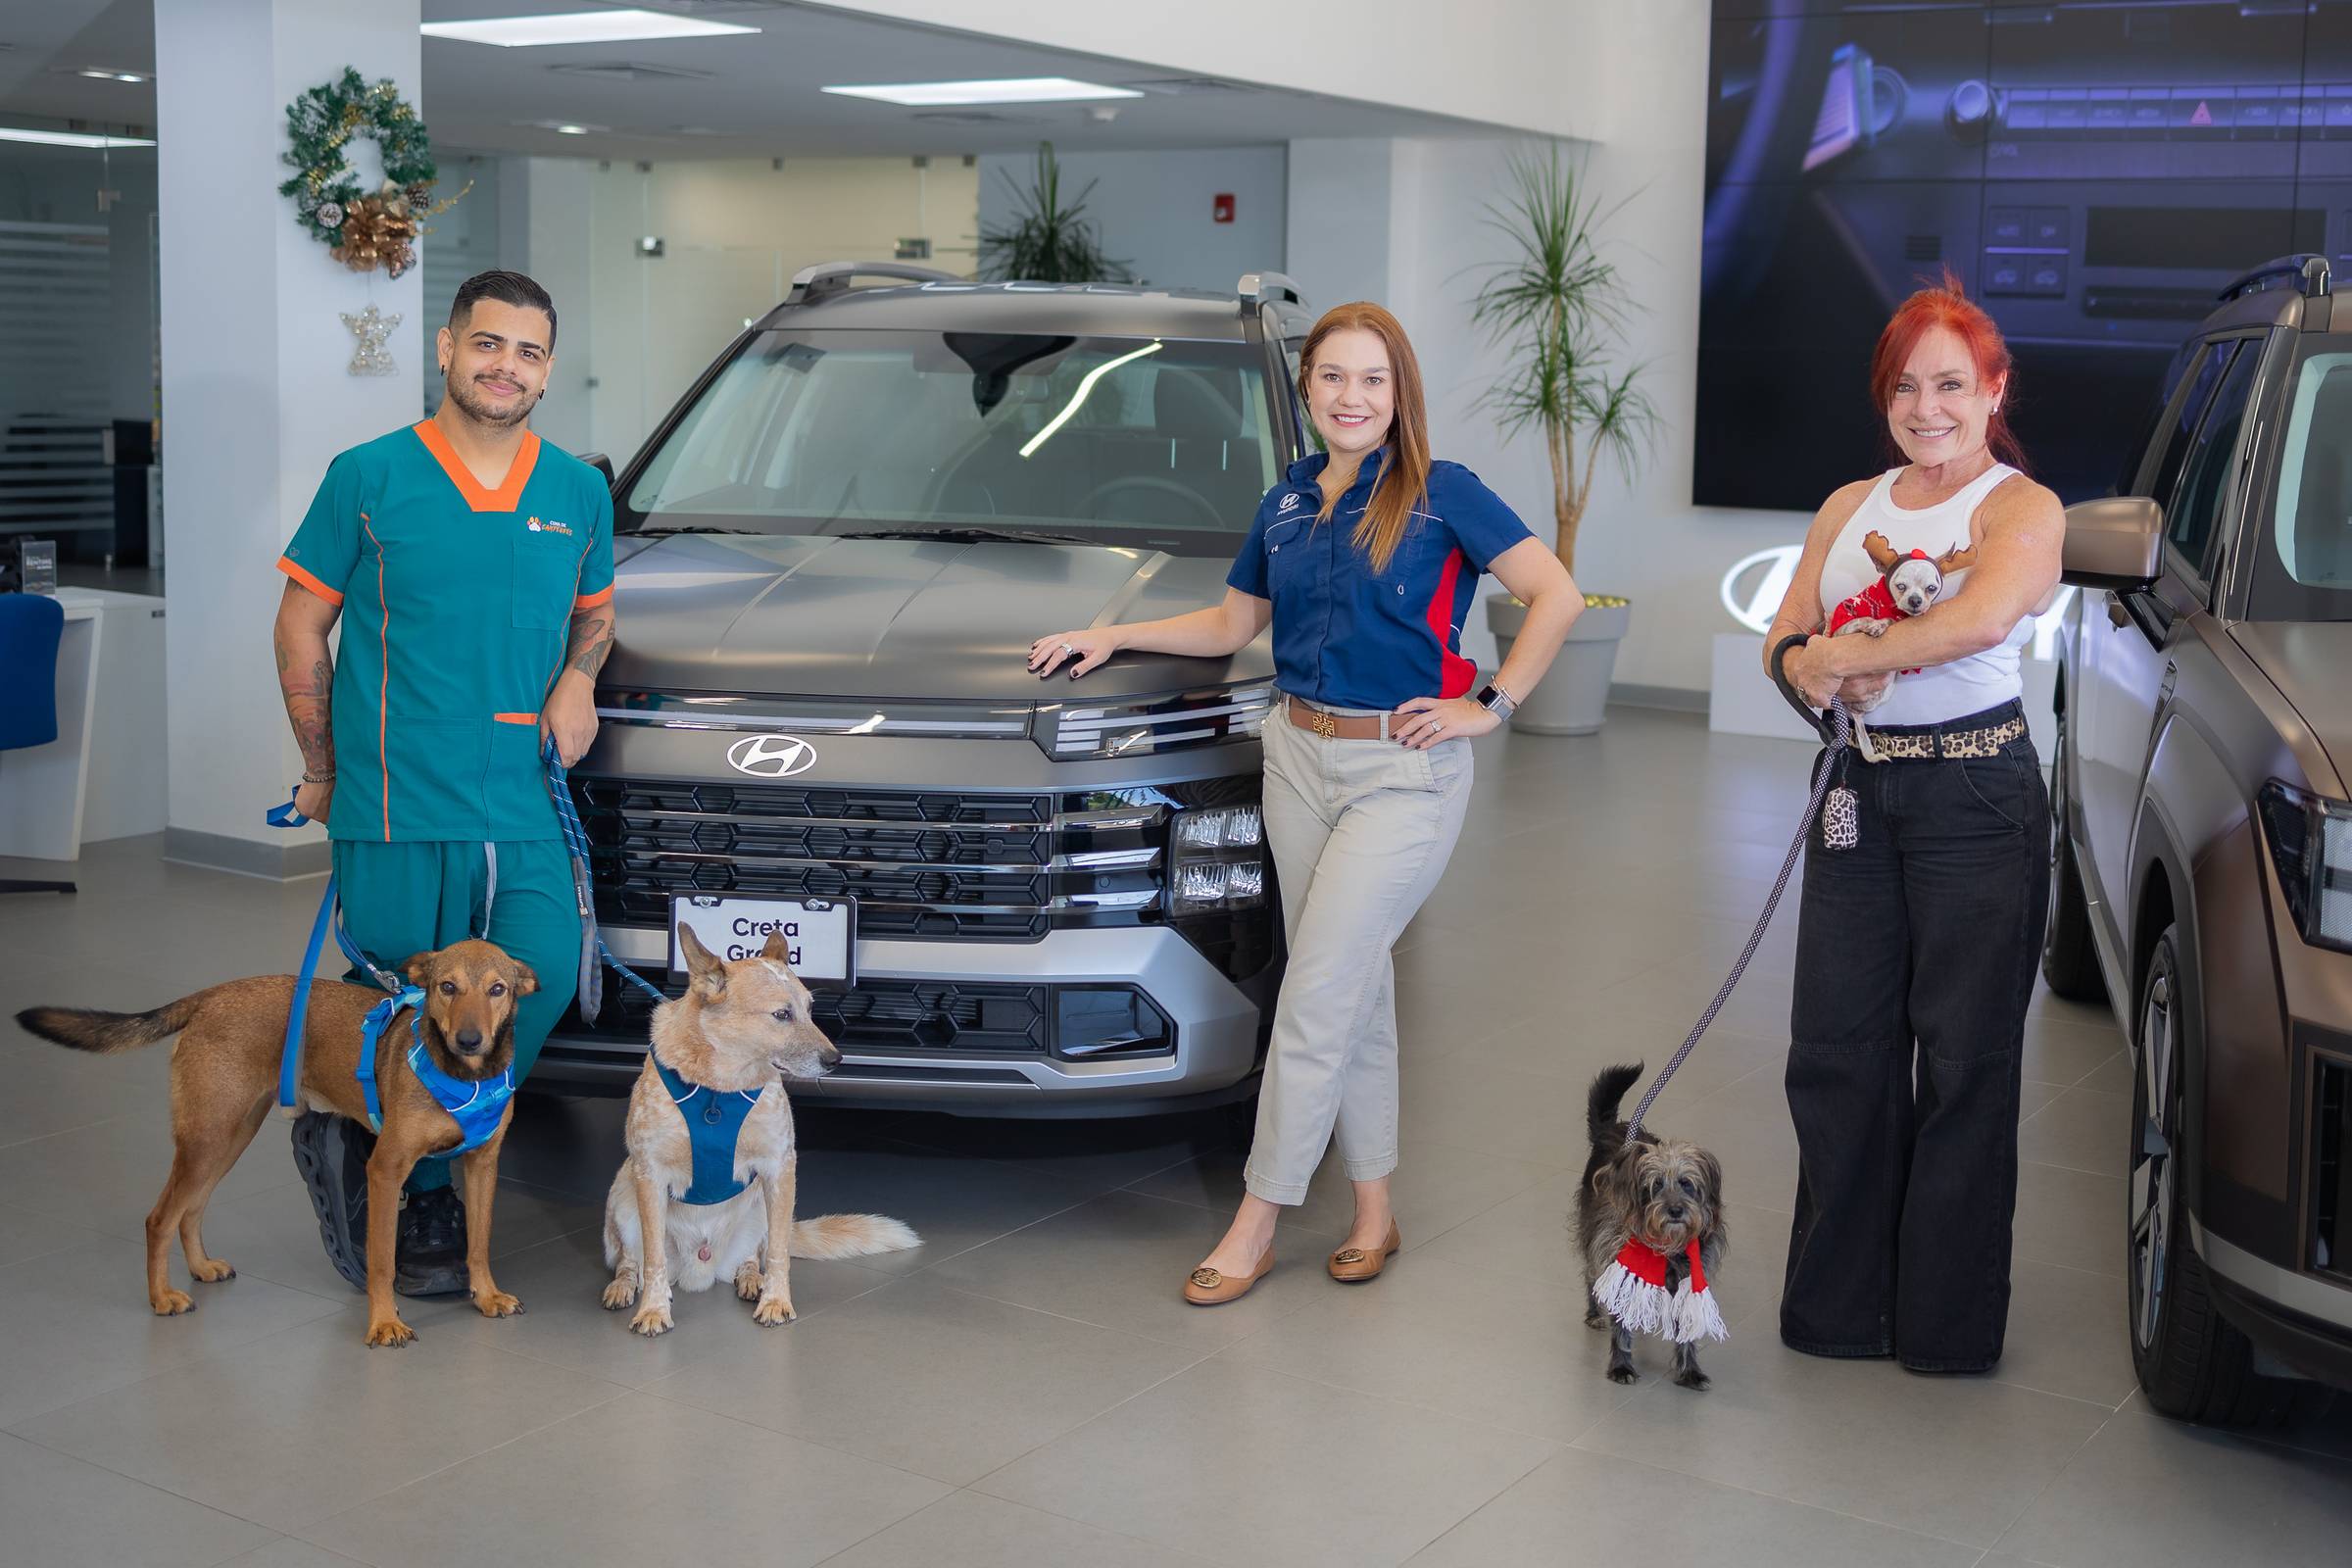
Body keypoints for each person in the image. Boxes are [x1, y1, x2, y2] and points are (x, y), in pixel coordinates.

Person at [1031, 302, 1582, 1302]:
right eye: (1333, 376)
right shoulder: (1284, 502)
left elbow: (1557, 594)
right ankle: (1374, 1213)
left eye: (1373, 378)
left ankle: (1257, 1219)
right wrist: (1114, 635)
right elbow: (1228, 624)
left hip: (1402, 773)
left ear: (1400, 392)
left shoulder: (1443, 494)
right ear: (1308, 388)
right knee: (1352, 988)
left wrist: (1491, 705)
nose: (1351, 397)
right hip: (1295, 758)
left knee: (1317, 992)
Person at [272, 270, 615, 1296]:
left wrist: (579, 677)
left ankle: (425, 1151)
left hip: (522, 795)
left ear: (547, 370)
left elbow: (595, 614)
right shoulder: (369, 476)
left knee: (542, 971)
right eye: (489, 343)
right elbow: (301, 623)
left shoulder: (577, 491)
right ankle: (384, 1161)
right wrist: (322, 767)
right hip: (398, 795)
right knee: (394, 992)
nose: (507, 367)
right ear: (447, 348)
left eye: (529, 352)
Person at [1761, 273, 2064, 1371]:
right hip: (1856, 788)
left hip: (1976, 799)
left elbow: (1980, 617)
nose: (1925, 408)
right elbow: (1784, 636)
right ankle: (1838, 1309)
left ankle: (1945, 1327)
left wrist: (1845, 654)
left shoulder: (2021, 509)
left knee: (1966, 1062)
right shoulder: (1850, 504)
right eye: (1904, 387)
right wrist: (1808, 668)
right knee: (1836, 1049)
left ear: (1993, 390)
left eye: (1949, 385)